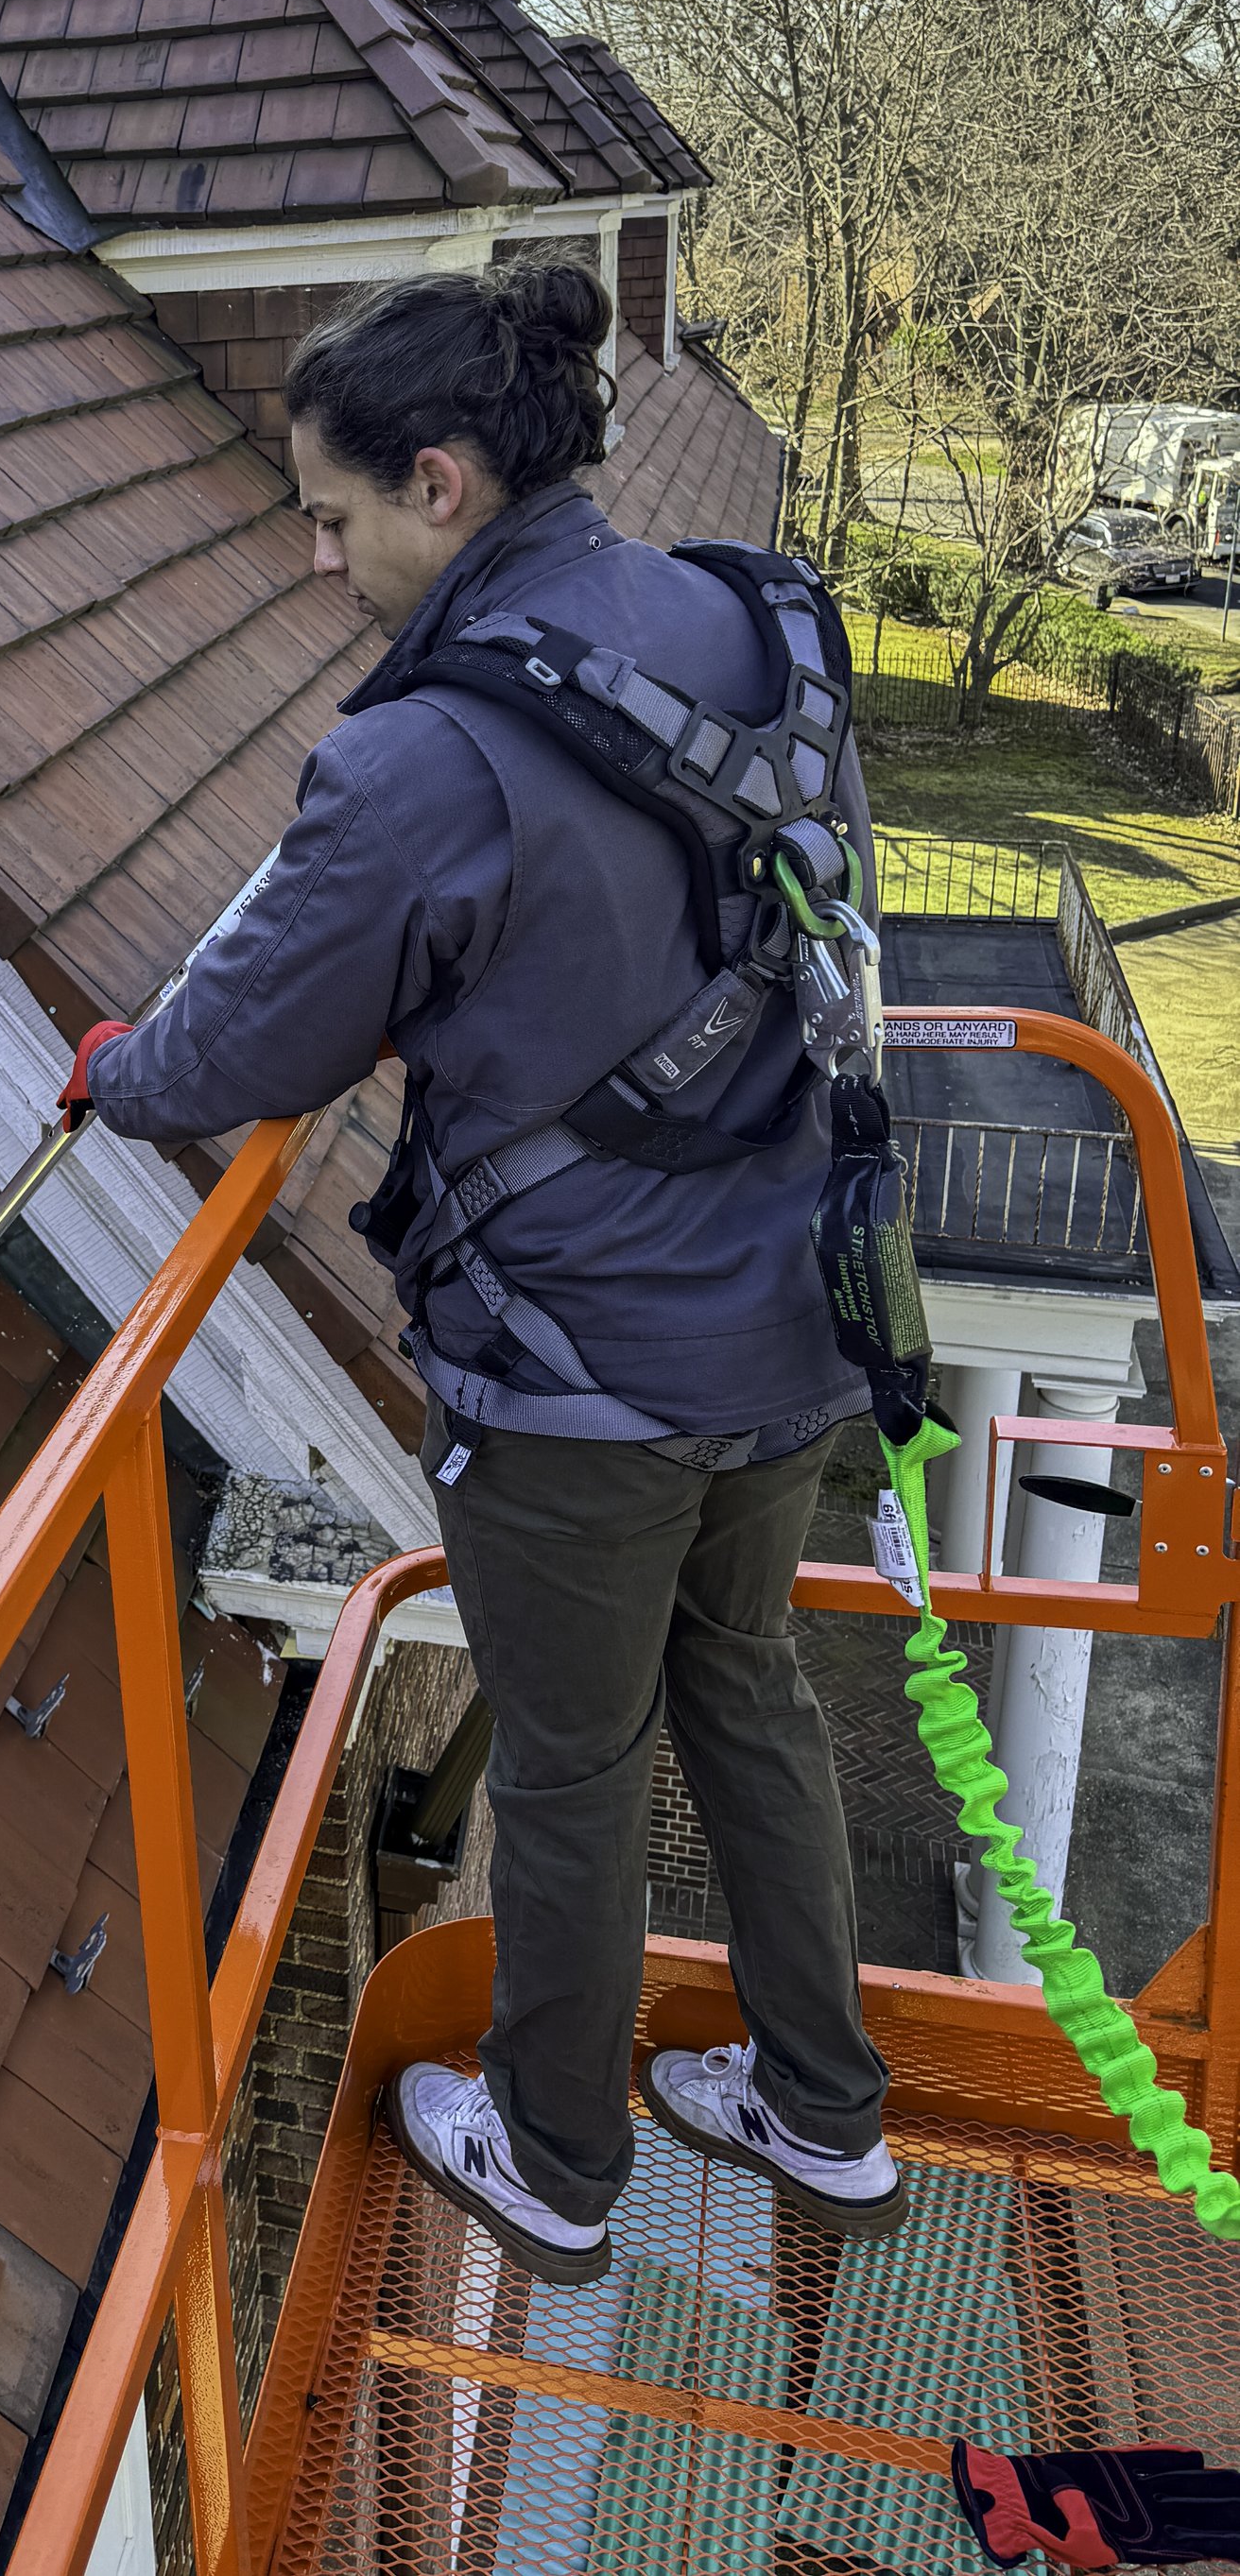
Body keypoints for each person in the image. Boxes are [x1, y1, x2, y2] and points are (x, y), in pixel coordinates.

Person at [72, 263, 902, 2287]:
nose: (320, 551)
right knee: (750, 1687)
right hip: (796, 1313)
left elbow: (241, 1047)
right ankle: (823, 2104)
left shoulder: (420, 760)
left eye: (334, 514)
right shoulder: (741, 615)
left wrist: (118, 1069)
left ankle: (552, 2158)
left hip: (581, 1379)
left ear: (438, 482)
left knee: (565, 1761)